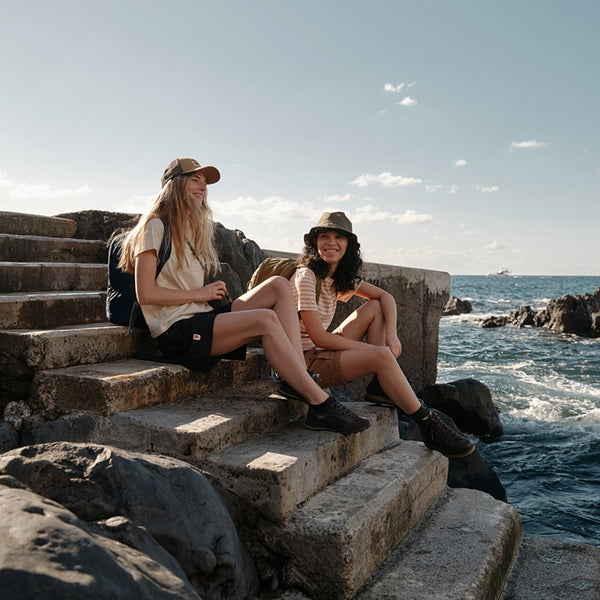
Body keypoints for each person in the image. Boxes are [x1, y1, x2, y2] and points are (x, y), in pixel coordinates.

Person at [118, 158, 369, 435]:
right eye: (194, 180)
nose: (202, 188)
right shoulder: (154, 227)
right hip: (176, 332)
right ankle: (321, 405)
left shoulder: (189, 230)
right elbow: (146, 294)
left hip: (200, 318)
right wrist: (201, 292)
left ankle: (297, 376)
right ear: (175, 185)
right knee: (265, 319)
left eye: (204, 183)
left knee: (278, 285)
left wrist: (203, 297)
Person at [287, 211, 475, 459]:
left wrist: (392, 335)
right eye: (324, 236)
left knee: (376, 307)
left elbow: (386, 297)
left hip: (319, 349)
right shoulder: (307, 277)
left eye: (338, 237)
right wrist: (377, 352)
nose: (330, 242)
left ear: (348, 245)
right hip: (305, 364)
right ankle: (427, 423)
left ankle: (381, 383)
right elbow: (320, 338)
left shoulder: (336, 278)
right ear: (314, 243)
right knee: (381, 355)